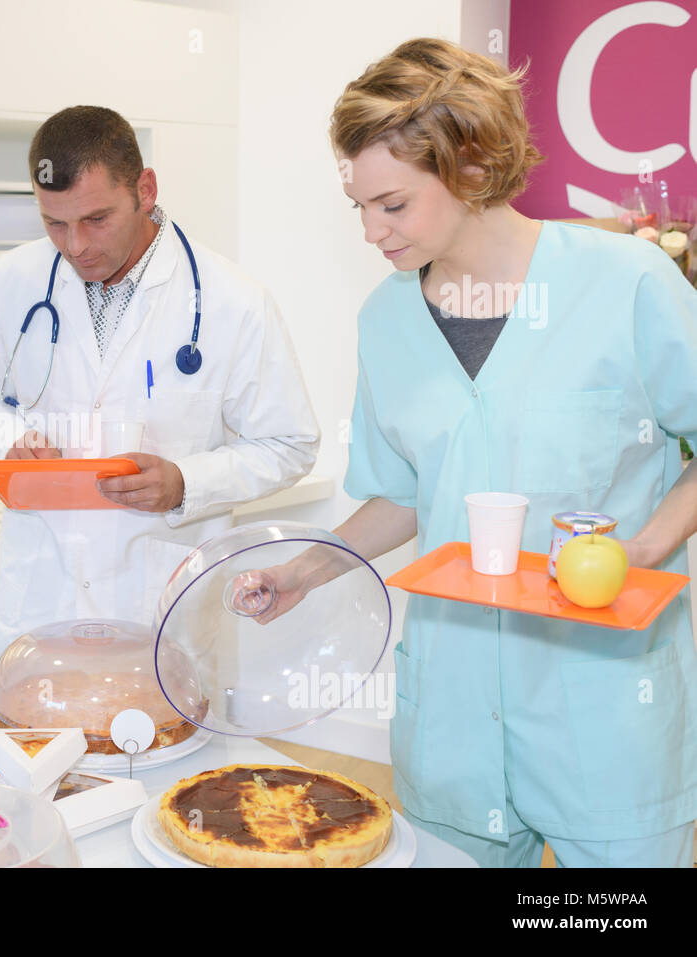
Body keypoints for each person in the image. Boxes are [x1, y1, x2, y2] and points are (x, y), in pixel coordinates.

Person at [259, 38, 697, 867]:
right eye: (357, 206)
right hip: (452, 727)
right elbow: (402, 493)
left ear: (468, 166)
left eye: (391, 204)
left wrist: (647, 548)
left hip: (605, 715)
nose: (369, 231)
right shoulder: (386, 322)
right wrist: (303, 571)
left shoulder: (626, 282)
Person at [0, 105, 320, 670]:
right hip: (42, 596)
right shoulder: (14, 281)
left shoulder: (232, 301)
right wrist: (11, 439)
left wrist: (184, 483)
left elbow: (288, 444)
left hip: (159, 605)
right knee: (33, 751)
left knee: (163, 750)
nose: (74, 246)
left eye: (96, 219)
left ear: (145, 190)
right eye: (54, 223)